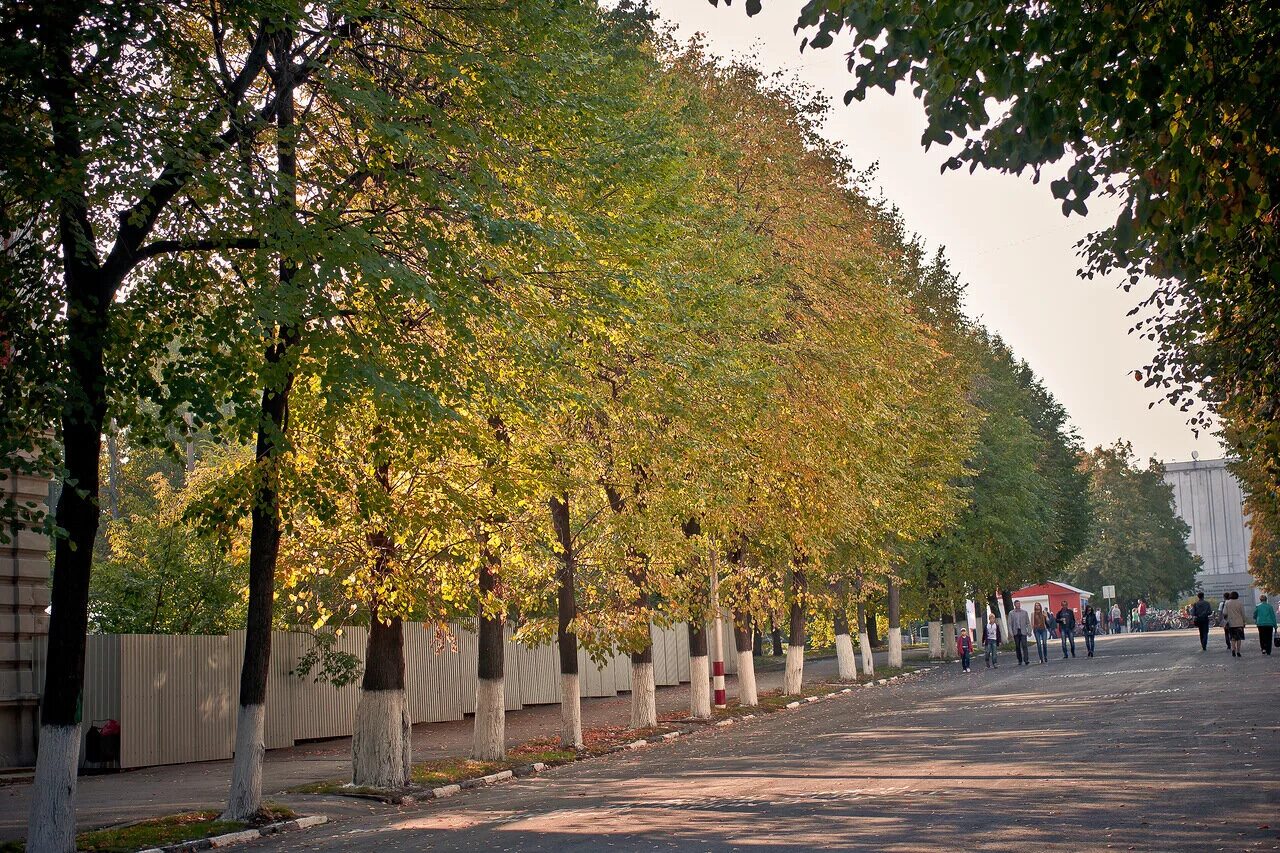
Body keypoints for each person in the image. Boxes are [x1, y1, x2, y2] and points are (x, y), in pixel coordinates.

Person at [1009, 600, 1032, 666]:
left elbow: (1028, 623)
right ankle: (1019, 660)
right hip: (1016, 632)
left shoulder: (1024, 612)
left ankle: (1026, 659)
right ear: (1014, 605)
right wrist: (1011, 633)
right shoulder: (1011, 613)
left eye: (1019, 604)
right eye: (1017, 604)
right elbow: (1010, 624)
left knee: (1024, 645)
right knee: (1017, 646)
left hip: (1023, 631)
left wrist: (1029, 631)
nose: (1018, 605)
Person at [1224, 591, 1246, 657]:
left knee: (1232, 638)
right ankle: (1238, 651)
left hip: (1231, 623)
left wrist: (1226, 619)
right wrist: (1244, 621)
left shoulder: (1227, 603)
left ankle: (1233, 649)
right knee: (1239, 638)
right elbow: (1243, 613)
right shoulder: (1240, 603)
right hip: (1239, 623)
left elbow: (1224, 612)